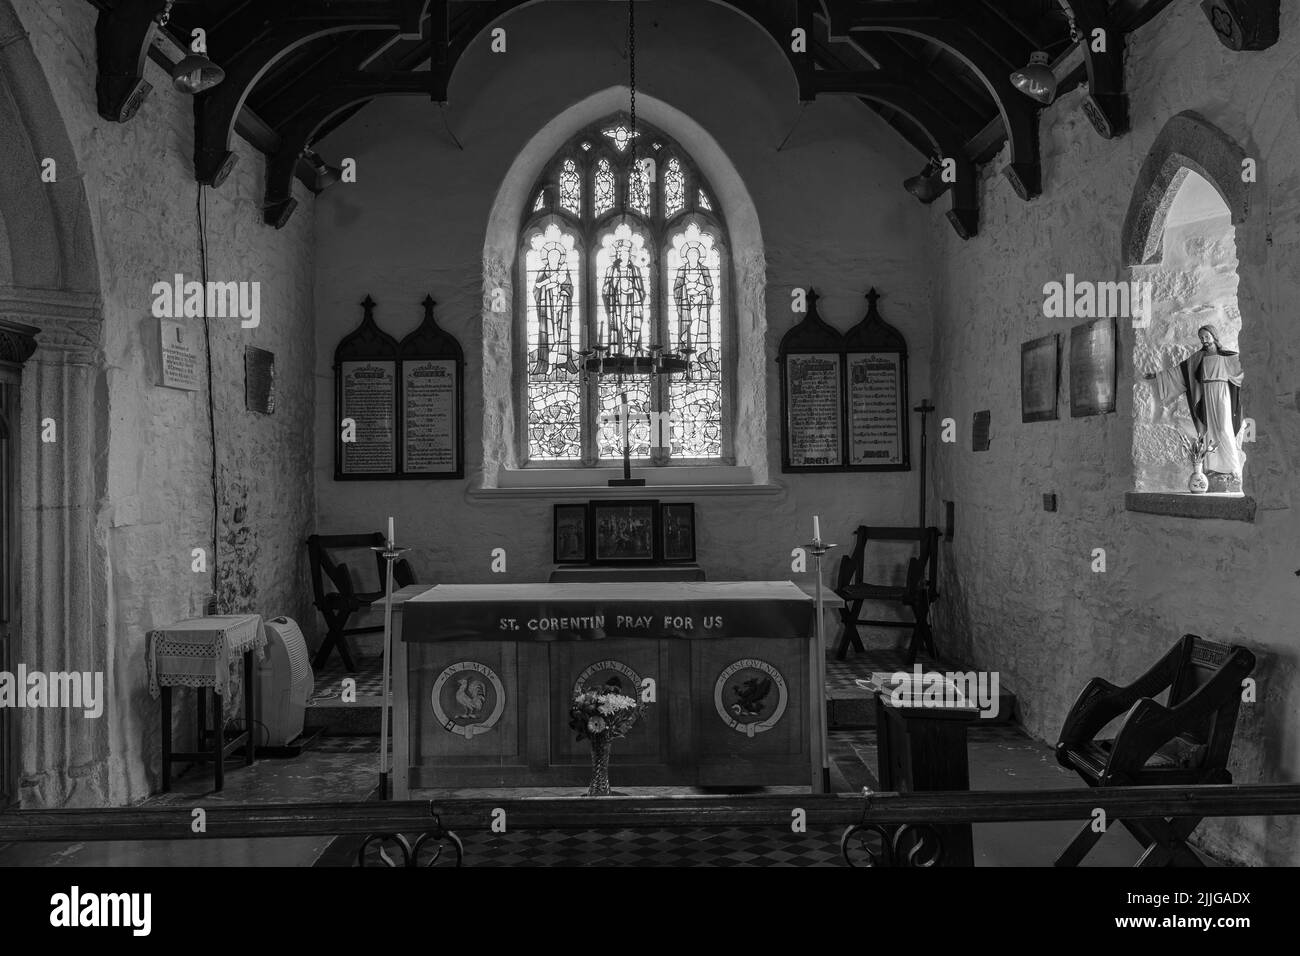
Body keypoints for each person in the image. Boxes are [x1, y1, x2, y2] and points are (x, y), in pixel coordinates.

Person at [1142, 323, 1245, 487]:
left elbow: (1242, 368)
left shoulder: (1228, 356)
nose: (1204, 340)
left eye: (1206, 336)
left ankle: (1233, 469)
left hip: (1222, 393)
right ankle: (1213, 468)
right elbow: (1179, 371)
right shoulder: (1198, 358)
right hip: (1206, 395)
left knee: (1225, 428)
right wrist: (1157, 375)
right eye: (1201, 338)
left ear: (1214, 336)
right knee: (1209, 430)